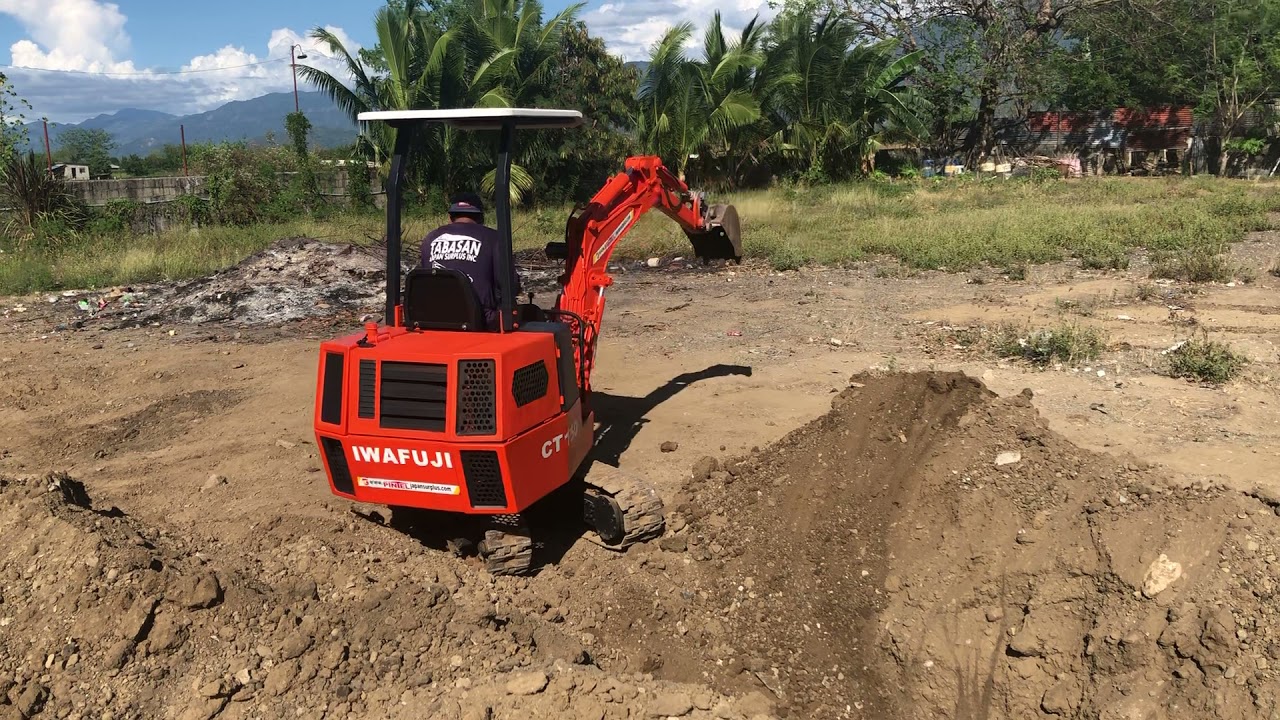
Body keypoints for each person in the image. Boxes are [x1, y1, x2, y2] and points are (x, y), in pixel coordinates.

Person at [419, 191, 520, 330]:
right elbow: (509, 285)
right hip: (480, 321)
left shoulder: (430, 239)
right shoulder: (494, 238)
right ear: (481, 217)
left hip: (433, 319)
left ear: (450, 217)